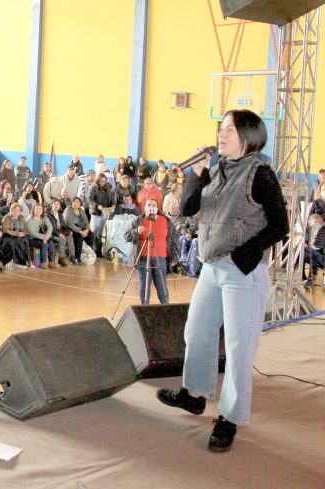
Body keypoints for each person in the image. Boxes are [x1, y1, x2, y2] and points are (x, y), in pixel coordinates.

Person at [156, 110, 289, 453]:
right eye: (221, 128)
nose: (221, 135)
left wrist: (244, 255)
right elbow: (186, 209)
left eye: (228, 129)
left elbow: (280, 226)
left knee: (238, 347)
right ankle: (194, 395)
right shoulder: (216, 169)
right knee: (196, 332)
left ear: (247, 135)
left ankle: (229, 417)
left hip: (241, 273)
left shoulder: (260, 174)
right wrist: (197, 175)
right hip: (211, 267)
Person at [124, 198, 174, 305]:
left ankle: (166, 309)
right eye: (148, 205)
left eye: (153, 205)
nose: (151, 207)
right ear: (145, 207)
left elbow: (174, 239)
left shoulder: (166, 220)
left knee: (162, 286)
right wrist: (136, 231)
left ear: (157, 208)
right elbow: (126, 236)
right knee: (144, 285)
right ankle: (144, 309)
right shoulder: (138, 220)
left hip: (160, 257)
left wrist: (174, 258)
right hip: (143, 257)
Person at [63, 197, 93, 265]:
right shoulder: (68, 210)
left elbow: (86, 221)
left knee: (91, 235)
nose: (76, 203)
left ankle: (88, 254)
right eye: (74, 202)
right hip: (70, 229)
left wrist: (87, 229)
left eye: (78, 202)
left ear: (80, 204)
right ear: (72, 202)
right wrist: (81, 232)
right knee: (79, 237)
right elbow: (70, 224)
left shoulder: (81, 210)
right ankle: (77, 257)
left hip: (81, 228)